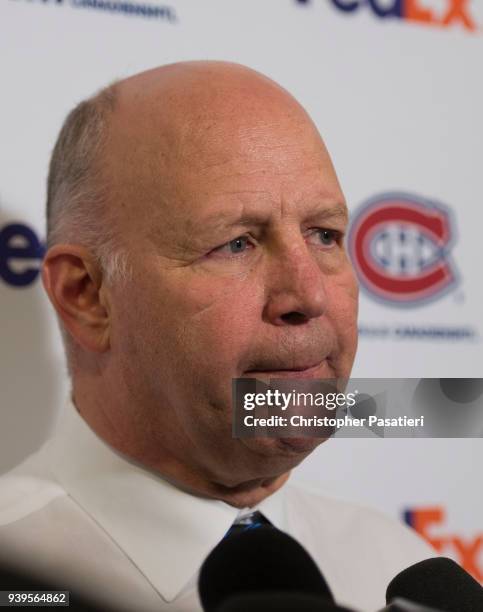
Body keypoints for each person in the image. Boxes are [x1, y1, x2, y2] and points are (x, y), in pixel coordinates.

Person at [0, 61, 434, 611]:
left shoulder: (395, 566)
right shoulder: (17, 570)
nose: (309, 296)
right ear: (86, 295)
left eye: (324, 235)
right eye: (236, 244)